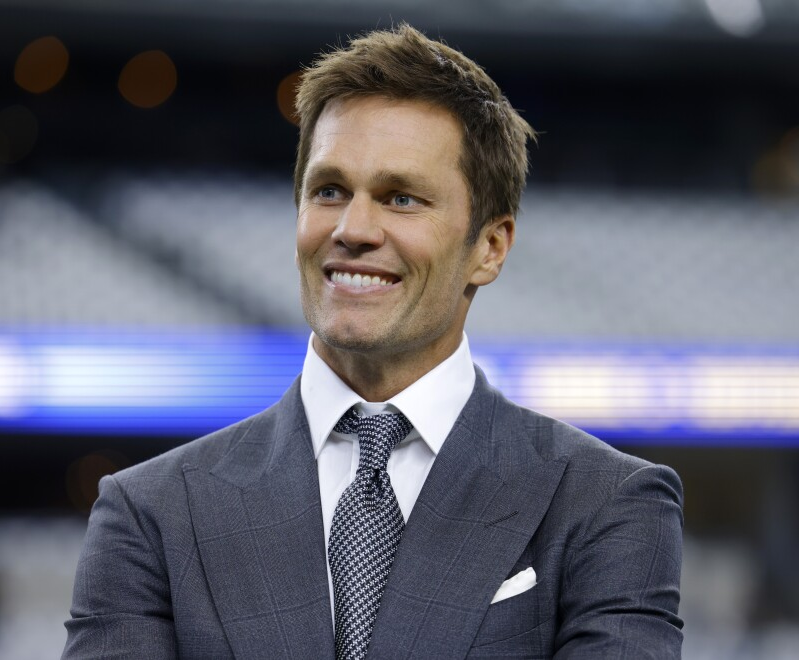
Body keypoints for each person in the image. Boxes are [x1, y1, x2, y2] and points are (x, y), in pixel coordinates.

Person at [62, 24, 683, 659]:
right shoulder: (148, 513)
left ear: (490, 248)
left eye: (401, 198)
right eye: (329, 191)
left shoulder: (608, 505)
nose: (353, 229)